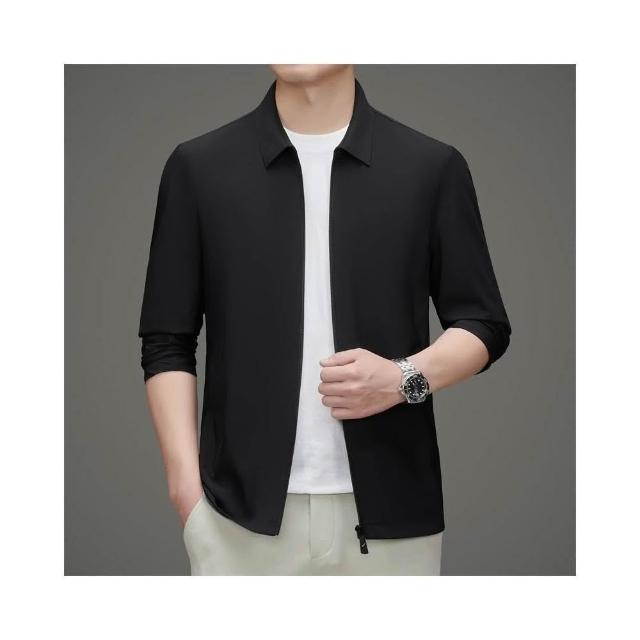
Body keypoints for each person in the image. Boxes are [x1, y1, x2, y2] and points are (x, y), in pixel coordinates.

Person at [138, 64, 511, 575]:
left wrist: (402, 379)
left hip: (396, 520)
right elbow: (166, 340)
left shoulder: (430, 166)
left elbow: (483, 322)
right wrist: (186, 493)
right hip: (235, 521)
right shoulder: (199, 167)